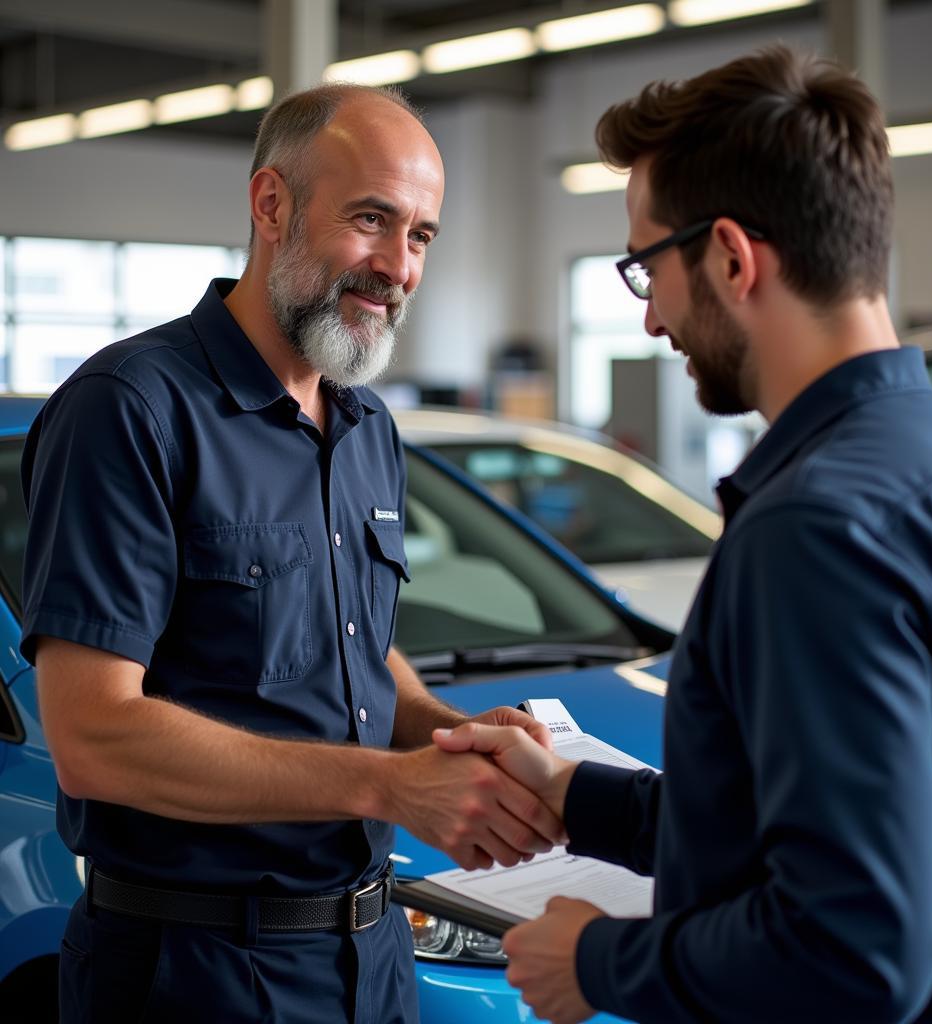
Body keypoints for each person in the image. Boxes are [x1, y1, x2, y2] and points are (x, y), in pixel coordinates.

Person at [435, 46, 932, 1024]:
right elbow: (825, 827)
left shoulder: (815, 524)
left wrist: (599, 961)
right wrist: (574, 795)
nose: (654, 318)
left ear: (731, 257)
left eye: (644, 267)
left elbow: (853, 946)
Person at [21, 83, 562, 1024]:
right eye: (371, 220)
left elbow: (346, 637)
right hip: (192, 974)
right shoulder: (132, 410)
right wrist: (392, 785)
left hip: (371, 956)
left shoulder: (366, 427)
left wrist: (446, 732)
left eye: (422, 236)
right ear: (272, 205)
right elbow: (91, 739)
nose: (398, 266)